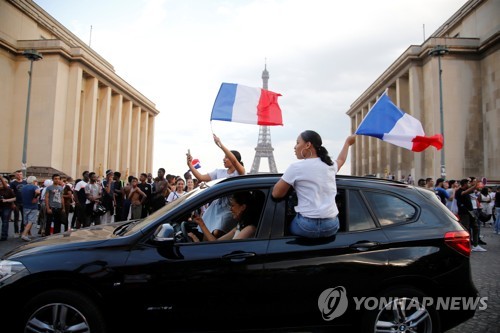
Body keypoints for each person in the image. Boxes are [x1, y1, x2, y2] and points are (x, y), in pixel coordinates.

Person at [272, 131, 356, 238]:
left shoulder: (295, 168)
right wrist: (347, 143)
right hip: (331, 225)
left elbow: (276, 194)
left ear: (308, 145)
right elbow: (341, 160)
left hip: (305, 227)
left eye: (297, 143)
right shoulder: (329, 166)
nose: (294, 147)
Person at [186, 134, 245, 237]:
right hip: (215, 207)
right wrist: (190, 165)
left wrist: (220, 145)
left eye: (226, 157)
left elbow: (235, 161)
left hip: (229, 208)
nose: (224, 159)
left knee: (217, 232)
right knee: (205, 230)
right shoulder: (218, 172)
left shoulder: (240, 172)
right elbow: (201, 177)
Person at [190, 191, 257, 242]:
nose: (230, 209)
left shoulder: (249, 229)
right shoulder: (239, 227)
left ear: (243, 207)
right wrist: (201, 224)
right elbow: (216, 243)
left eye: (233, 205)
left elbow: (223, 249)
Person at [455, 178, 486, 252]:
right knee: (466, 229)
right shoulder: (459, 191)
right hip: (464, 213)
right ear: (465, 184)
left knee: (475, 228)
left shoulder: (468, 191)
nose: (469, 184)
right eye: (468, 183)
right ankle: (465, 246)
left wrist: (476, 186)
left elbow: (473, 191)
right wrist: (475, 185)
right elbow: (464, 192)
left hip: (470, 212)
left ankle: (475, 245)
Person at [20, 176, 41, 241]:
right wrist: (35, 197)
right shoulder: (35, 187)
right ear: (34, 181)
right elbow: (38, 192)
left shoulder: (23, 187)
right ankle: (24, 234)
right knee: (30, 221)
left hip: (25, 205)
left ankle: (26, 234)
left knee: (25, 221)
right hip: (33, 206)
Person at [9, 170, 27, 235]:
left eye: (20, 174)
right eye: (18, 174)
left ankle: (22, 231)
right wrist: (12, 203)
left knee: (24, 218)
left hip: (24, 202)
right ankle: (16, 232)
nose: (19, 176)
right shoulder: (13, 183)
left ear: (22, 175)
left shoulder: (25, 182)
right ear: (15, 175)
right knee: (16, 217)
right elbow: (11, 193)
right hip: (16, 202)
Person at [0, 176, 16, 241]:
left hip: (6, 207)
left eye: (2, 182)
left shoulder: (8, 189)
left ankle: (4, 236)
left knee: (5, 222)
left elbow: (14, 198)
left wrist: (7, 200)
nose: (1, 183)